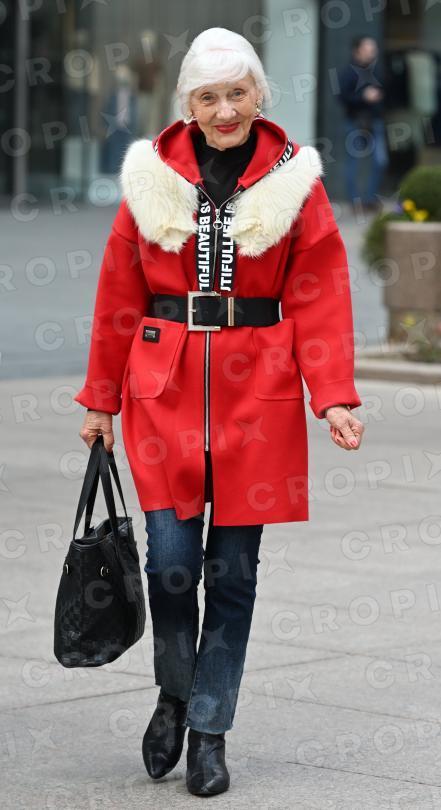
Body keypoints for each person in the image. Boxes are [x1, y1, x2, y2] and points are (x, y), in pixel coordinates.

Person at [75, 27, 364, 797]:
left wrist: (333, 395)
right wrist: (100, 398)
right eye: (209, 96)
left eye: (238, 93)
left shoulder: (295, 179)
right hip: (161, 389)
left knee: (232, 576)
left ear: (258, 94)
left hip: (257, 394)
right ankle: (174, 692)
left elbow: (320, 292)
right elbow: (117, 294)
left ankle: (208, 726)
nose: (225, 109)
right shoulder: (148, 176)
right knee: (169, 567)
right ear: (188, 104)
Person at [338, 35, 389, 212]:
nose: (372, 52)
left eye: (373, 49)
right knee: (353, 163)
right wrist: (363, 97)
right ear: (357, 51)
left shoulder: (378, 71)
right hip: (355, 122)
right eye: (368, 49)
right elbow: (342, 98)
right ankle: (355, 202)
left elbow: (386, 95)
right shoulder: (347, 72)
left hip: (375, 122)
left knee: (380, 161)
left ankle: (369, 199)